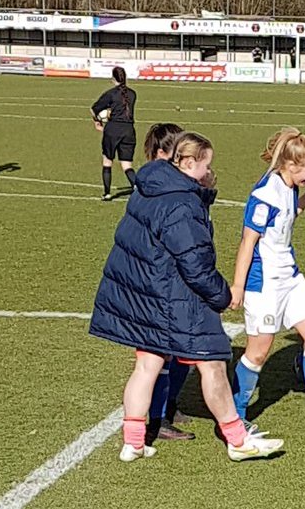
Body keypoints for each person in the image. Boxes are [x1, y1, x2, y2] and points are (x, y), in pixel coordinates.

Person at [89, 132, 283, 462]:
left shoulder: (150, 186)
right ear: (190, 163)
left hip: (146, 293)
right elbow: (193, 262)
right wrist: (223, 295)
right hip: (174, 296)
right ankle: (237, 440)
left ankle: (133, 441)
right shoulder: (182, 203)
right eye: (207, 165)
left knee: (146, 365)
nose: (210, 172)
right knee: (213, 363)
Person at [229, 128, 305, 432]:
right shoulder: (264, 196)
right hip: (265, 283)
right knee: (259, 351)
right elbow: (248, 242)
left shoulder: (288, 187)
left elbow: (288, 217)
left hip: (290, 276)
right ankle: (236, 414)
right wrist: (238, 286)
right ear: (292, 166)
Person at [138, 122, 196, 443]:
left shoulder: (179, 186)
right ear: (163, 154)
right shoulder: (155, 186)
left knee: (182, 351)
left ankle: (170, 405)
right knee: (160, 355)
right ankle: (155, 420)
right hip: (160, 281)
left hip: (180, 280)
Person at [90, 66, 138, 201]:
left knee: (107, 161)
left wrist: (97, 121)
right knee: (126, 164)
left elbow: (94, 109)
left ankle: (107, 193)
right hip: (129, 130)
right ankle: (136, 186)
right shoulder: (133, 94)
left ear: (113, 79)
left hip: (112, 130)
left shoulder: (111, 94)